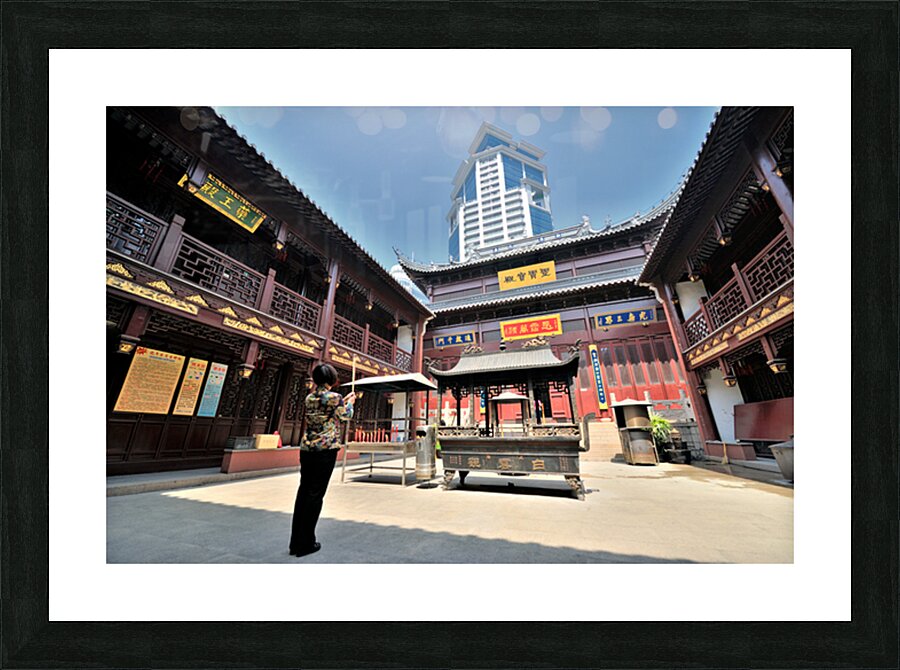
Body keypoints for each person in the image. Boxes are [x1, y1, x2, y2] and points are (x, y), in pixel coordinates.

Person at [289, 363, 355, 558]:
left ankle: (295, 542)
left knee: (303, 493)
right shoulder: (335, 397)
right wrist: (350, 401)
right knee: (315, 495)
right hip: (325, 450)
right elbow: (346, 416)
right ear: (332, 379)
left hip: (307, 448)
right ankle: (306, 543)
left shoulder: (309, 397)